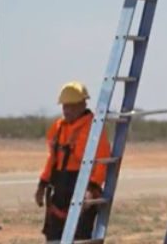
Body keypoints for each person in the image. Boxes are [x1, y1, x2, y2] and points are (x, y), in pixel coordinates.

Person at [34, 81, 111, 242]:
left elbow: (102, 161)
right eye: (64, 106)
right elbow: (52, 158)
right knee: (54, 236)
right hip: (60, 192)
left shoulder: (93, 127)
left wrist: (92, 189)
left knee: (80, 237)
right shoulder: (58, 127)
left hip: (82, 189)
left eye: (72, 106)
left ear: (83, 104)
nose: (67, 110)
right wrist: (42, 184)